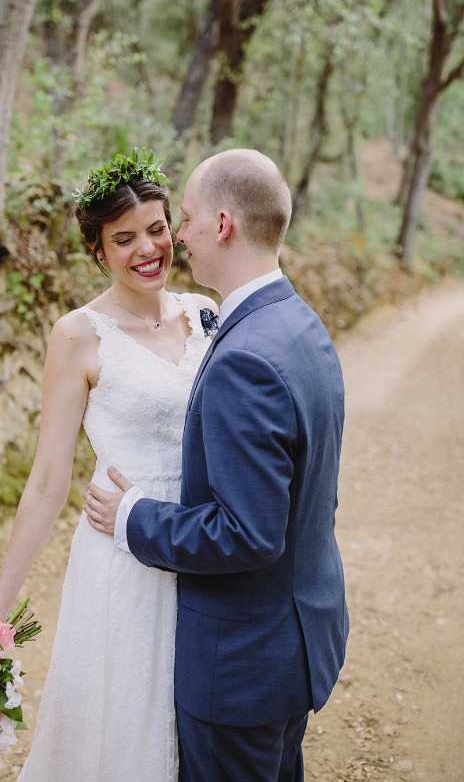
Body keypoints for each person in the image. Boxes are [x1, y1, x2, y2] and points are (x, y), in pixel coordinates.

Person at [84, 149, 349, 782]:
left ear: (223, 225)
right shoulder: (298, 323)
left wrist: (133, 518)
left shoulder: (244, 358)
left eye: (189, 217)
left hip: (241, 664)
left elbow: (249, 533)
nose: (178, 235)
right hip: (295, 641)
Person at [0, 148, 216, 782]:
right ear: (97, 249)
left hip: (200, 542)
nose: (147, 248)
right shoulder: (79, 334)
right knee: (122, 723)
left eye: (157, 228)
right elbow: (46, 478)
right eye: (124, 238)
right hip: (121, 555)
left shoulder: (207, 314)